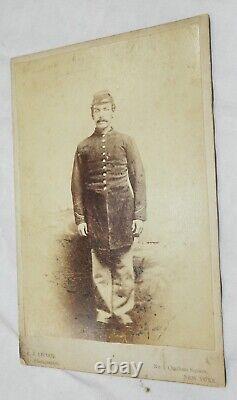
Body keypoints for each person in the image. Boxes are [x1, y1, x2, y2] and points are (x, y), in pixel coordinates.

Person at [71, 90, 146, 326]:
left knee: (123, 265)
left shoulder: (126, 141)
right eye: (97, 110)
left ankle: (123, 309)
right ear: (91, 114)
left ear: (113, 112)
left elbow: (139, 177)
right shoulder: (83, 147)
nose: (101, 114)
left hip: (123, 212)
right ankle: (104, 310)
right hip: (95, 216)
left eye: (105, 109)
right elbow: (76, 186)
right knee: (100, 267)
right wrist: (81, 218)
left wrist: (139, 215)